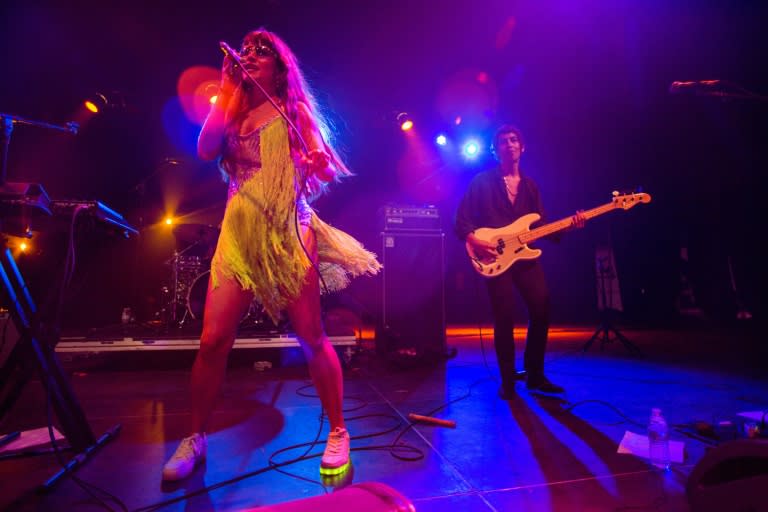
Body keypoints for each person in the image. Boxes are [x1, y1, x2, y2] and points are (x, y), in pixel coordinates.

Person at [162, 29, 381, 481]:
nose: (251, 55)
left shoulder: (292, 110)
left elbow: (318, 157)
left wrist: (317, 160)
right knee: (212, 341)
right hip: (239, 232)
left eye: (263, 51)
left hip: (288, 228)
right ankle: (196, 438)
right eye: (247, 50)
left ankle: (339, 431)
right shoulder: (232, 108)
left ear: (281, 66)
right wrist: (225, 89)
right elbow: (205, 150)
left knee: (310, 335)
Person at [454, 125, 585, 399]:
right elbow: (462, 220)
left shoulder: (530, 186)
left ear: (522, 147)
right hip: (495, 257)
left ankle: (534, 375)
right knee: (504, 318)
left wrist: (571, 226)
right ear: (495, 150)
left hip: (524, 257)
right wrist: (477, 242)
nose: (509, 144)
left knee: (542, 308)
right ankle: (508, 381)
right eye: (503, 142)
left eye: (514, 140)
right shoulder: (482, 182)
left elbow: (543, 226)